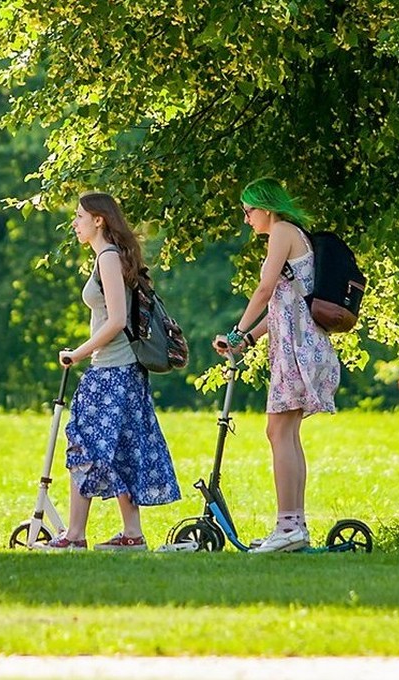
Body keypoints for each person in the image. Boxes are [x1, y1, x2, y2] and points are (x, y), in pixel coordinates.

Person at [34, 191, 181, 552]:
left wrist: (78, 354)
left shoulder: (109, 260)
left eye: (80, 217)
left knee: (83, 445)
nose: (75, 223)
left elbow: (115, 320)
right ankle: (132, 534)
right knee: (121, 447)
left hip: (112, 371)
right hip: (122, 371)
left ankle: (74, 535)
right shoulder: (108, 258)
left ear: (99, 219)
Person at [213, 177, 341, 553]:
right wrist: (250, 338)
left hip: (298, 351)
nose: (246, 218)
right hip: (299, 347)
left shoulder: (282, 231)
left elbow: (265, 289)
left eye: (249, 210)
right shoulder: (290, 233)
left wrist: (235, 332)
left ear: (266, 209)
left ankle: (288, 528)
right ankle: (293, 527)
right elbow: (283, 305)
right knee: (283, 433)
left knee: (278, 432)